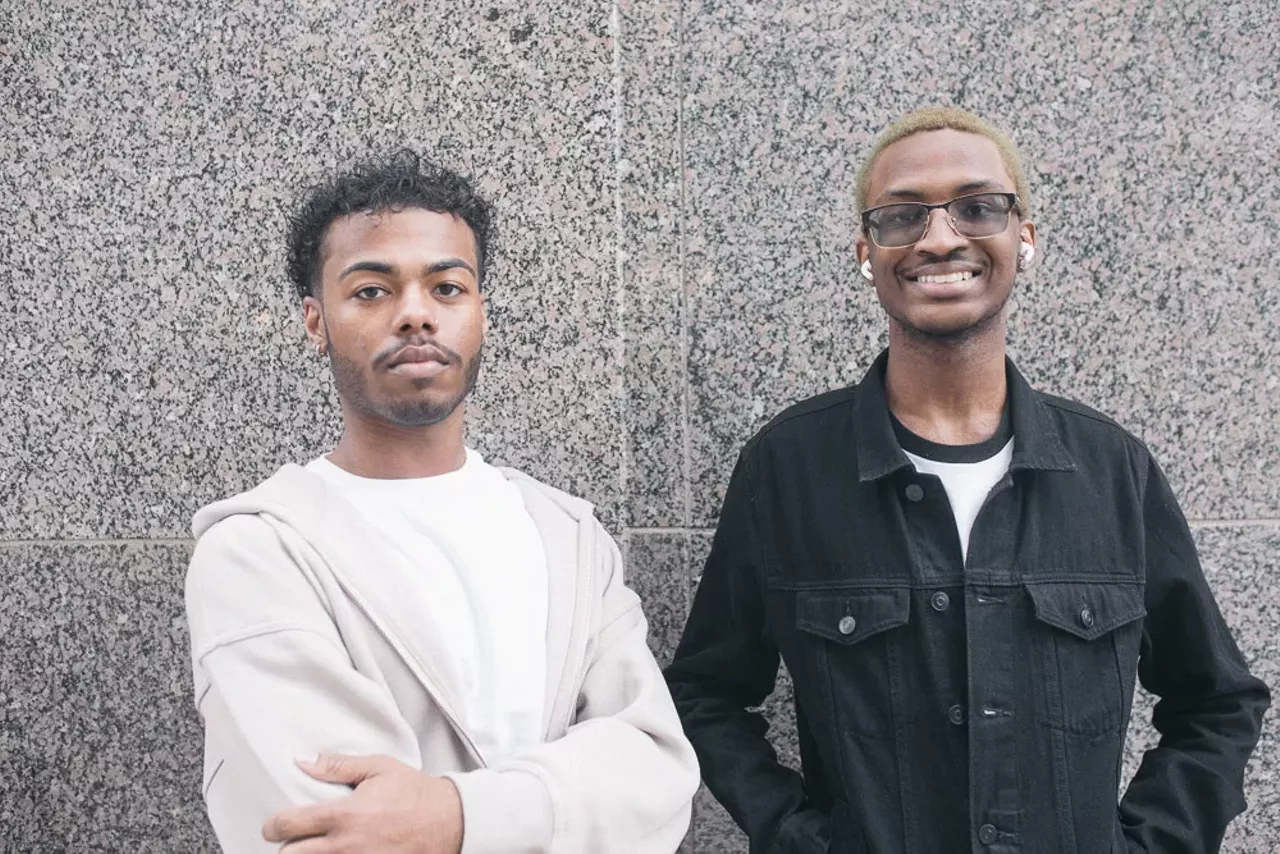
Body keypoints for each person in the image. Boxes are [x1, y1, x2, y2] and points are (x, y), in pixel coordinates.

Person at [664, 107, 1269, 853]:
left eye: (979, 207)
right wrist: (800, 840)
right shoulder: (787, 473)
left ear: (1026, 237)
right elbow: (705, 692)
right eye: (902, 216)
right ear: (867, 250)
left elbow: (1218, 701)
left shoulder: (1113, 471)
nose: (940, 237)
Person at [185, 150, 698, 853]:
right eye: (371, 291)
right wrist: (561, 808)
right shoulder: (257, 552)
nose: (416, 315)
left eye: (448, 287)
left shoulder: (568, 537)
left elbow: (656, 775)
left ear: (480, 310)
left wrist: (455, 816)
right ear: (315, 321)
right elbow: (328, 829)